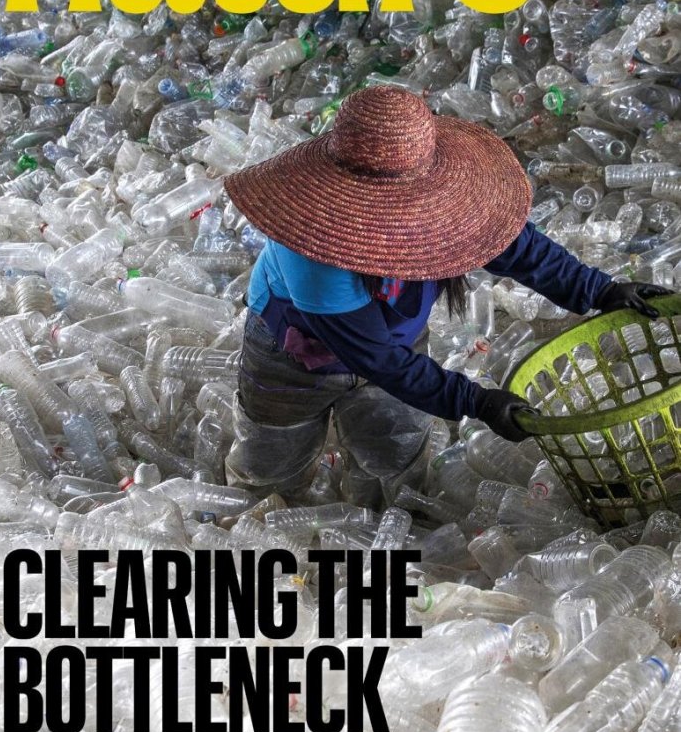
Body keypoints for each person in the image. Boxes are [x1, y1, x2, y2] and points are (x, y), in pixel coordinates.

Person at [222, 86, 669, 508]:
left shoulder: (454, 208)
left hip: (393, 338)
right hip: (295, 355)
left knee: (394, 457)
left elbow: (518, 248)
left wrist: (601, 290)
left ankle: (379, 534)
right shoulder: (314, 251)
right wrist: (475, 401)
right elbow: (380, 360)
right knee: (273, 464)